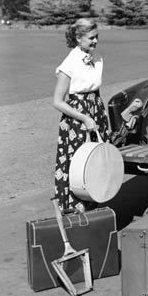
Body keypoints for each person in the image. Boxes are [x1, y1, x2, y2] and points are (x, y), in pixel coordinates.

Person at [52, 18, 111, 211]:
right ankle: (76, 209)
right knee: (78, 166)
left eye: (97, 37)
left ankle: (95, 206)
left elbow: (94, 90)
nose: (95, 41)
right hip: (78, 121)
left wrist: (96, 115)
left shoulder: (98, 57)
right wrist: (85, 118)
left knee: (96, 162)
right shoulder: (70, 63)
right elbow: (57, 101)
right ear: (79, 38)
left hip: (96, 112)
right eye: (91, 38)